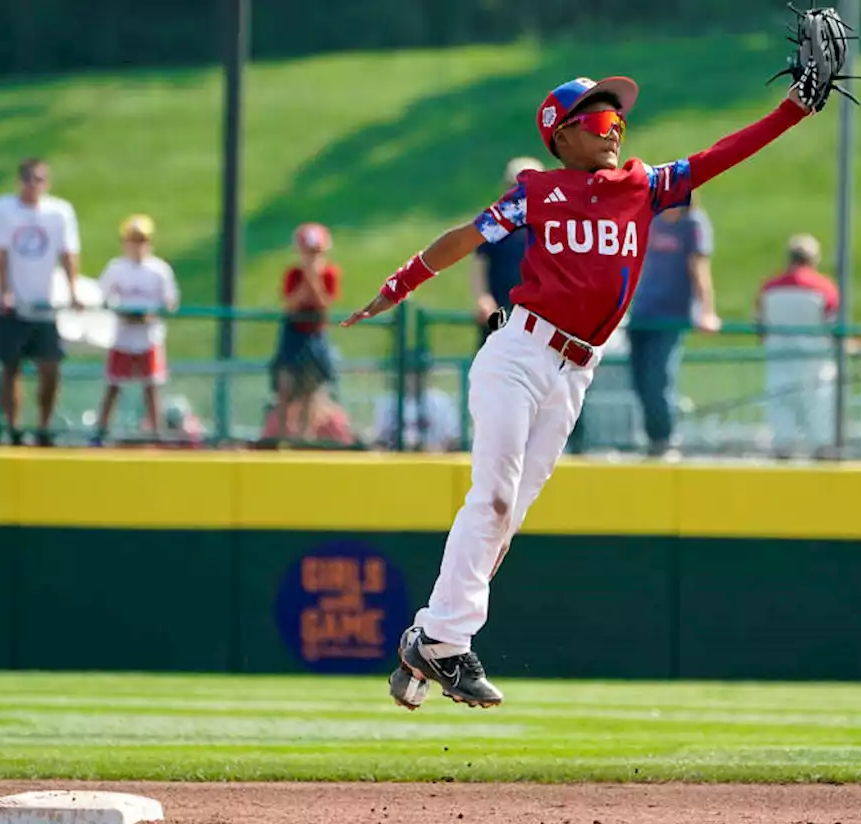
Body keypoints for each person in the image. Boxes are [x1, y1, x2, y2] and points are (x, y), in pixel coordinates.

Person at [341, 75, 823, 710]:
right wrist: (400, 284)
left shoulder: (643, 185)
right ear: (560, 133)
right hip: (518, 354)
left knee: (506, 519)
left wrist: (793, 108)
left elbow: (722, 154)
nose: (614, 128)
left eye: (617, 119)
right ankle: (444, 641)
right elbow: (465, 237)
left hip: (575, 372)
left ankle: (430, 637)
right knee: (492, 500)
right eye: (598, 120)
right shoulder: (537, 193)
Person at [0, 157, 81, 446]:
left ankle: (44, 425)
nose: (34, 186)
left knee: (50, 366)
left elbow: (68, 252)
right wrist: (5, 291)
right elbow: (1, 253)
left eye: (40, 180)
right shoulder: (3, 210)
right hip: (14, 303)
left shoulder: (59, 212)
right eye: (29, 180)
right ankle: (13, 427)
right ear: (20, 182)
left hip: (44, 303)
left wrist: (73, 289)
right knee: (10, 368)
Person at [626, 197, 720, 457]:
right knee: (639, 380)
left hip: (670, 314)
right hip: (643, 310)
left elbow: (699, 267)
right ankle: (652, 437)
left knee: (659, 378)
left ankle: (664, 439)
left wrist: (707, 310)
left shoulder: (693, 224)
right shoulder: (653, 220)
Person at [91, 215, 180, 446]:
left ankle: (156, 432)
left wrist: (148, 315)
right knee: (114, 383)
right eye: (132, 240)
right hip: (123, 335)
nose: (137, 245)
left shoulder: (159, 270)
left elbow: (170, 302)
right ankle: (101, 429)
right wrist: (122, 312)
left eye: (141, 240)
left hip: (149, 335)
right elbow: (102, 296)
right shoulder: (116, 268)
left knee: (151, 385)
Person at [755, 233, 840, 459]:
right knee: (821, 435)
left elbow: (760, 329)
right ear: (814, 259)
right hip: (816, 366)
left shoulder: (769, 288)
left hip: (779, 363)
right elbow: (833, 328)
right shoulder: (825, 288)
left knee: (783, 436)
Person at [274, 223, 340, 439]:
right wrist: (307, 279)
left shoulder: (329, 274)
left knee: (311, 388)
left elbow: (323, 304)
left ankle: (304, 436)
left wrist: (314, 279)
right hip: (293, 334)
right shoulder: (293, 274)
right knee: (285, 385)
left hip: (315, 334)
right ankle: (283, 435)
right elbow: (291, 304)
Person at [471, 157, 544, 346]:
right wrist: (482, 297)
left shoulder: (547, 225)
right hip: (499, 310)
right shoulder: (496, 222)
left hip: (537, 315)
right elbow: (480, 260)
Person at [370, 369, 462, 452]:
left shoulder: (440, 400)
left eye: (416, 374)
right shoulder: (388, 401)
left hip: (432, 460)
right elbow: (379, 440)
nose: (412, 378)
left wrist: (435, 449)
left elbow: (453, 439)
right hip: (396, 458)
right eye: (409, 374)